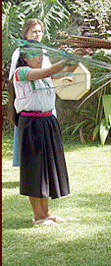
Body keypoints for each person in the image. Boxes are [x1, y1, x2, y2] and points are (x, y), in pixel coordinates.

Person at [12, 40, 91, 226]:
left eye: (40, 54)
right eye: (34, 55)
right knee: (34, 169)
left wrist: (78, 57)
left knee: (46, 168)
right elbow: (50, 71)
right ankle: (38, 216)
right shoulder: (21, 72)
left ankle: (46, 213)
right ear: (24, 58)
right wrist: (71, 55)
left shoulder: (43, 73)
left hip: (47, 121)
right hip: (31, 123)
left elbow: (64, 72)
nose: (39, 58)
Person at [8, 18, 53, 168]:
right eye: (34, 31)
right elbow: (17, 76)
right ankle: (28, 168)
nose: (37, 34)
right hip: (27, 103)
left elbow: (48, 73)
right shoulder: (19, 53)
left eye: (39, 31)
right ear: (26, 34)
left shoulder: (44, 52)